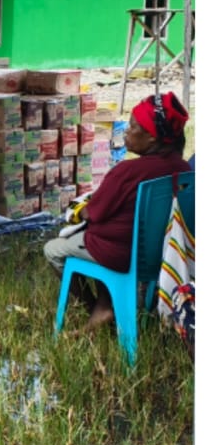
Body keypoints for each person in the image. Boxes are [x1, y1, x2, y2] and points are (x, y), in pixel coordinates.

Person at [45, 93, 190, 330]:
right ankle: (108, 304)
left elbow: (95, 213)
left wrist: (78, 211)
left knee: (53, 250)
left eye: (133, 126)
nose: (127, 131)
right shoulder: (183, 169)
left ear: (152, 137)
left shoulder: (127, 171)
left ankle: (98, 310)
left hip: (119, 254)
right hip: (164, 254)